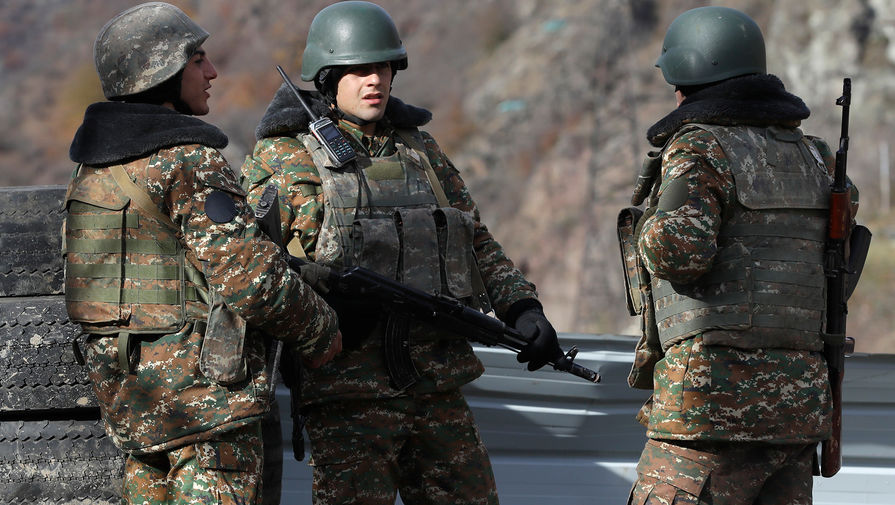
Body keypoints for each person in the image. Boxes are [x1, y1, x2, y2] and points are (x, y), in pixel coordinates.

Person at [241, 2, 561, 503]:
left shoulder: (421, 150)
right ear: (328, 77)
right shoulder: (285, 156)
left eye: (384, 67)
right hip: (348, 394)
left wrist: (522, 307)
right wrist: (320, 320)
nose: (375, 80)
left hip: (437, 382)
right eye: (359, 70)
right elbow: (257, 268)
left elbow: (472, 238)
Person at [64, 3, 341, 504]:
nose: (211, 72)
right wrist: (322, 329)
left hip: (138, 414)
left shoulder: (92, 173)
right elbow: (252, 281)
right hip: (206, 415)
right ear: (162, 73)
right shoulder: (187, 160)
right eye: (197, 60)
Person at [621, 6, 860, 505]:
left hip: (710, 408)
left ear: (686, 76)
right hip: (796, 411)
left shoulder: (699, 147)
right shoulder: (817, 157)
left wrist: (645, 226)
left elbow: (678, 255)